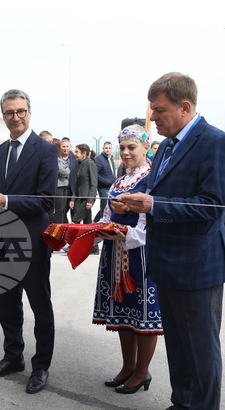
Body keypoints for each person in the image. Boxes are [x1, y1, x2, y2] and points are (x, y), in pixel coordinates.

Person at [117, 72, 225, 410]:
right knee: (179, 345)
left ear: (185, 107)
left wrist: (153, 204)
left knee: (201, 349)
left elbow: (211, 206)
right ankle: (183, 406)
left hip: (198, 265)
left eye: (159, 109)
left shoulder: (214, 142)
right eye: (152, 109)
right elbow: (157, 191)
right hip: (166, 262)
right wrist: (132, 199)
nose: (153, 117)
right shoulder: (167, 146)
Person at [0, 89, 58, 394]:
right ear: (3, 116)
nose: (16, 117)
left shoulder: (45, 150)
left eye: (20, 111)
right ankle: (13, 356)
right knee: (7, 305)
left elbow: (46, 200)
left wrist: (6, 200)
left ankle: (41, 365)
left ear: (29, 112)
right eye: (9, 112)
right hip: (2, 238)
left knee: (40, 307)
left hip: (32, 241)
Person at [93, 126, 162, 394]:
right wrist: (99, 230)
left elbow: (148, 223)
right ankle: (128, 367)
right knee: (124, 312)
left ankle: (142, 371)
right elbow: (106, 215)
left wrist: (124, 233)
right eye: (122, 147)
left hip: (140, 254)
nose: (125, 152)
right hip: (115, 252)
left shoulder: (152, 178)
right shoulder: (119, 180)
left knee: (143, 315)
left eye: (131, 147)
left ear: (145, 147)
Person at [69, 144, 97, 224]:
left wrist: (90, 200)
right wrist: (73, 199)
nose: (75, 154)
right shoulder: (80, 164)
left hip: (86, 199)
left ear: (84, 153)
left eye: (77, 152)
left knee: (75, 220)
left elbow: (94, 184)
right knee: (87, 222)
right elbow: (77, 184)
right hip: (80, 198)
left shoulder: (90, 164)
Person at [93, 142, 117, 221]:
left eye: (109, 148)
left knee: (108, 206)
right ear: (103, 148)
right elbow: (95, 174)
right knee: (104, 206)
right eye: (106, 148)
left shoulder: (111, 158)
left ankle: (96, 221)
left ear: (112, 149)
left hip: (111, 187)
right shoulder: (99, 159)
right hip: (103, 188)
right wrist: (106, 181)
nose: (108, 150)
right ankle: (101, 222)